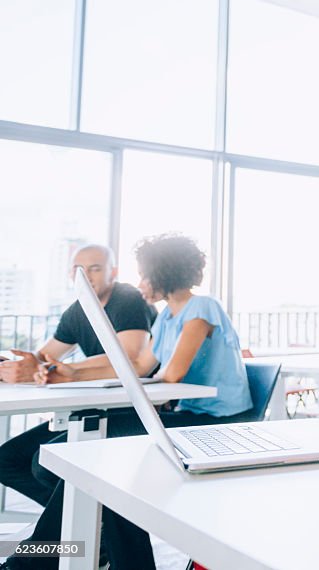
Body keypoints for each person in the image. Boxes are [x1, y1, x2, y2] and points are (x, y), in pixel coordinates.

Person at [3, 234, 251, 570]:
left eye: (145, 274)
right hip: (183, 414)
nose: (140, 283)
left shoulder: (203, 307)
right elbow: (143, 367)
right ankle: (79, 549)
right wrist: (71, 373)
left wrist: (83, 372)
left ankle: (32, 563)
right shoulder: (164, 319)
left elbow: (172, 373)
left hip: (214, 422)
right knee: (91, 471)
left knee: (86, 455)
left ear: (164, 273)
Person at [0, 244, 154, 507]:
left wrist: (49, 368)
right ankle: (90, 530)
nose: (86, 276)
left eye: (95, 268)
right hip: (94, 409)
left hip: (133, 410)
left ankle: (88, 529)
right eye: (78, 269)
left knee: (44, 464)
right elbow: (46, 356)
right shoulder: (77, 310)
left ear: (113, 272)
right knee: (7, 460)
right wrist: (14, 365)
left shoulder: (128, 298)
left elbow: (128, 356)